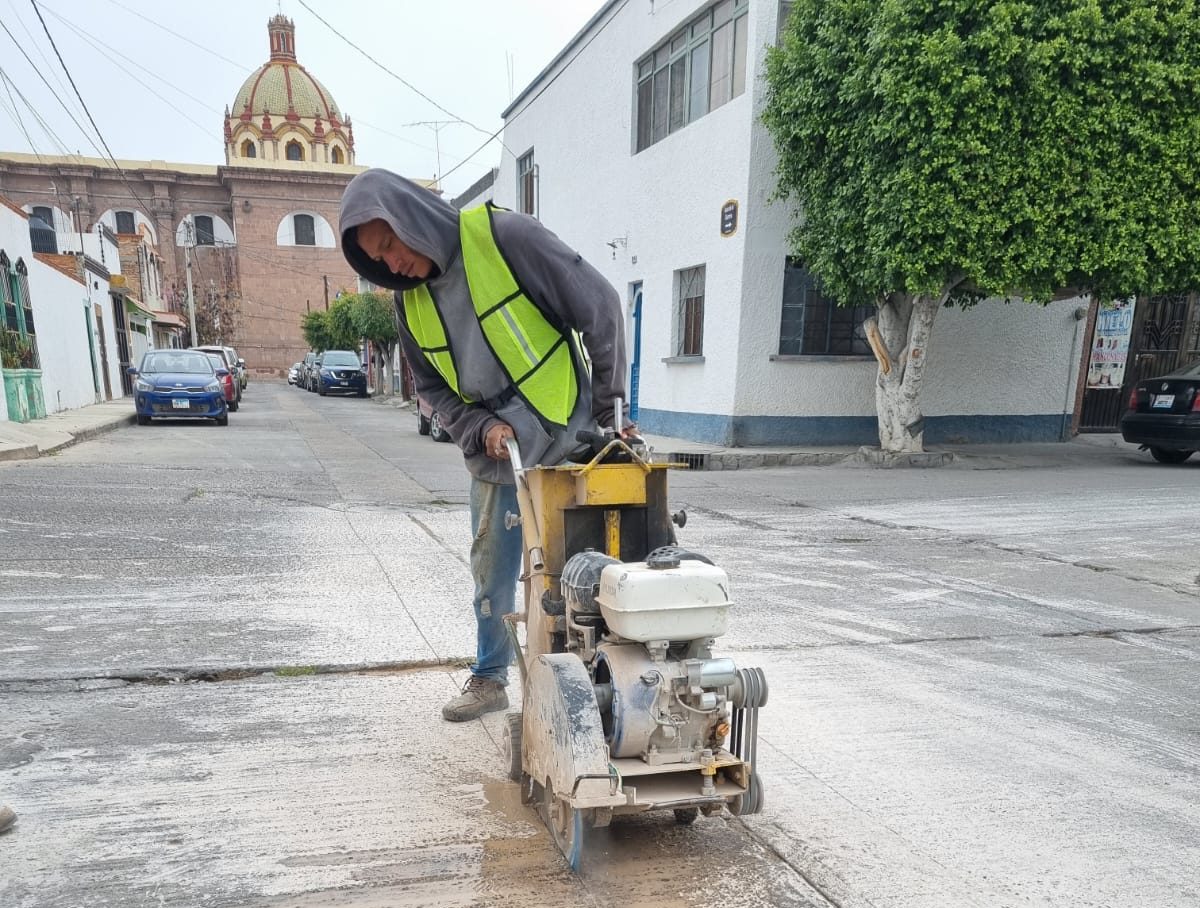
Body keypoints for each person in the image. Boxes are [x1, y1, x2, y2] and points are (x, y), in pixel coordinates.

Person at [340, 169, 634, 722]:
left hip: (569, 435)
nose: (392, 264)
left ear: (411, 216)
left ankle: (607, 678)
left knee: (592, 565)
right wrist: (478, 428)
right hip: (498, 451)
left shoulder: (506, 238)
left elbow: (600, 306)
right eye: (378, 259)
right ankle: (491, 677)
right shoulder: (408, 303)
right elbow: (431, 390)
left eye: (390, 244)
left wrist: (609, 414)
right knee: (493, 570)